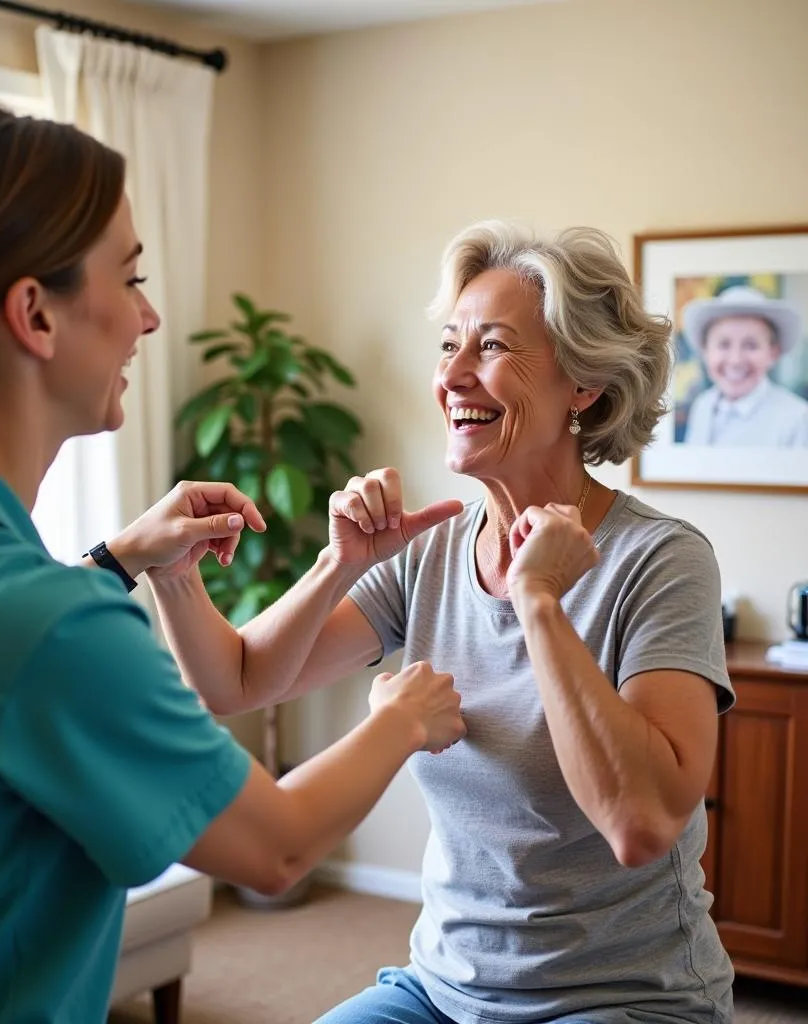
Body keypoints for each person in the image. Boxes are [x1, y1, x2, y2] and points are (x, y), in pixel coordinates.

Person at [0, 100, 469, 1023]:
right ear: (35, 314)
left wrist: (112, 558)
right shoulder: (36, 622)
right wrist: (399, 717)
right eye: (131, 277)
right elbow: (279, 849)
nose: (149, 318)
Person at [148, 222, 736, 1024]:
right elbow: (237, 682)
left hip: (621, 998)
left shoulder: (661, 560)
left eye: (491, 347)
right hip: (442, 988)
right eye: (449, 344)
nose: (453, 375)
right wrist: (325, 564)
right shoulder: (431, 550)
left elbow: (641, 824)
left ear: (583, 385)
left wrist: (539, 603)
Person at [681, 284, 808, 446]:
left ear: (772, 353)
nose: (736, 360)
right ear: (706, 351)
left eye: (751, 345)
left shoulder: (797, 418)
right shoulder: (702, 405)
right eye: (724, 345)